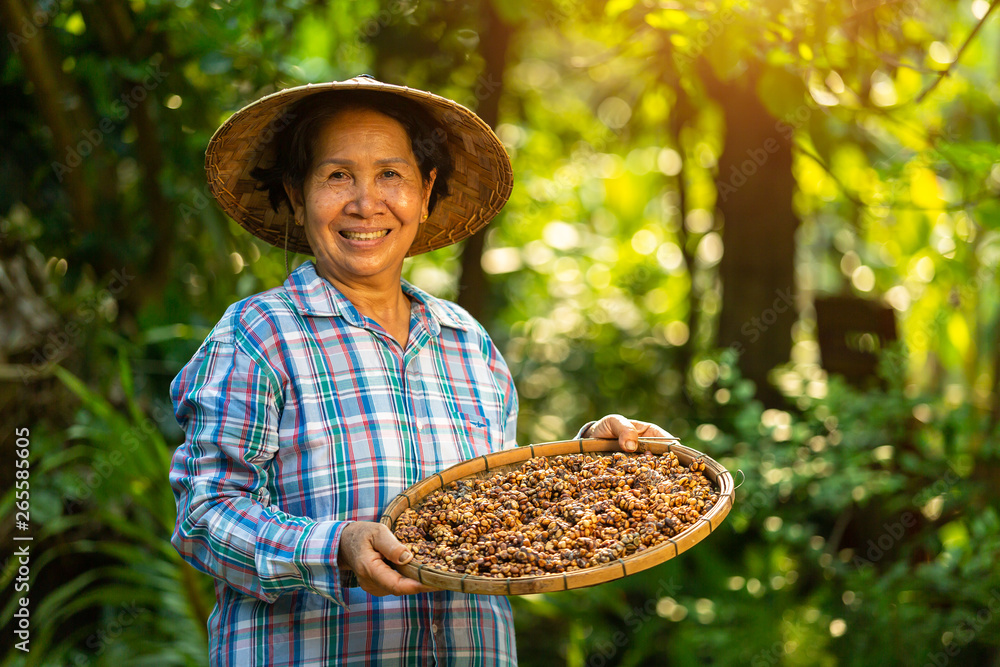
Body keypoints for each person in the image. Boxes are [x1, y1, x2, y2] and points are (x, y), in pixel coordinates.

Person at [170, 75, 672, 666]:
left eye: (391, 174)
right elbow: (204, 514)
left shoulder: (467, 342)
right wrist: (337, 546)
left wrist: (597, 462)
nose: (366, 203)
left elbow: (501, 499)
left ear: (426, 190)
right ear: (296, 193)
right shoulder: (259, 335)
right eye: (337, 176)